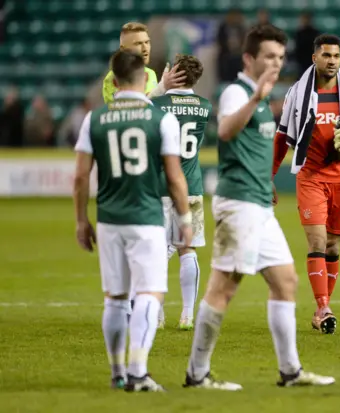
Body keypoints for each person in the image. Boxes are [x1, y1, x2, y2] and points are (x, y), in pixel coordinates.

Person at [183, 24, 335, 391]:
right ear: (249, 58)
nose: (276, 63)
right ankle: (197, 373)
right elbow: (225, 131)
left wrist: (266, 182)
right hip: (239, 207)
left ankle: (290, 371)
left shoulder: (260, 96)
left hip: (258, 206)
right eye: (269, 56)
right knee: (223, 289)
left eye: (281, 57)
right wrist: (256, 99)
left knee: (286, 282)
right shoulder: (238, 93)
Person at [73, 49, 191, 392]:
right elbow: (174, 177)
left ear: (112, 80)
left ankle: (117, 372)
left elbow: (80, 177)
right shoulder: (160, 119)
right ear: (144, 79)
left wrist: (81, 221)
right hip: (146, 218)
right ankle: (138, 372)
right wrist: (184, 217)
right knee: (150, 294)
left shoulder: (94, 118)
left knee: (115, 298)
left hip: (109, 220)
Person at [272, 34, 340, 334]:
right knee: (316, 241)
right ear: (314, 57)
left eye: (336, 56)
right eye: (327, 55)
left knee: (333, 245)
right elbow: (283, 138)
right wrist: (268, 177)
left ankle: (322, 306)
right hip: (311, 177)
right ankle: (323, 306)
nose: (332, 61)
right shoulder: (298, 93)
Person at [151, 54, 212, 330]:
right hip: (192, 186)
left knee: (156, 251)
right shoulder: (205, 105)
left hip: (161, 185)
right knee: (187, 249)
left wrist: (161, 86)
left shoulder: (157, 104)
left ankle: (158, 314)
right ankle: (187, 315)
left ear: (172, 71)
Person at [102, 22, 185, 104]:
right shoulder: (114, 77)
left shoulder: (151, 73)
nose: (145, 48)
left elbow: (151, 107)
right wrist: (161, 88)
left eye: (147, 42)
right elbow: (126, 108)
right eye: (138, 43)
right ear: (123, 49)